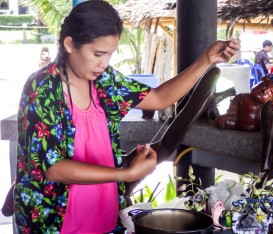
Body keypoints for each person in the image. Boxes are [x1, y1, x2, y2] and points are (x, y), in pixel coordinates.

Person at [13, 0, 240, 233]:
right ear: (70, 44)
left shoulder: (104, 80)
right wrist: (127, 173)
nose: (104, 63)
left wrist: (206, 60)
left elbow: (160, 98)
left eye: (109, 55)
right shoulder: (42, 87)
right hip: (54, 221)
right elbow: (54, 168)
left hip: (102, 212)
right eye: (97, 54)